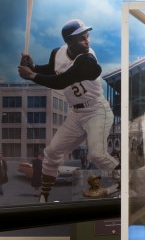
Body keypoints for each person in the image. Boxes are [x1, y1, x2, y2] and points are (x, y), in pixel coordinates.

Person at [18, 19, 119, 202]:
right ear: (69, 41)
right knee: (51, 153)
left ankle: (128, 180)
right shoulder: (57, 53)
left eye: (87, 36)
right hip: (75, 113)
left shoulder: (88, 59)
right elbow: (52, 71)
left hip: (96, 110)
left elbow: (61, 81)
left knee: (97, 154)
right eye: (82, 38)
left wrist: (32, 76)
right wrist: (32, 66)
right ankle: (44, 199)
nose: (87, 41)